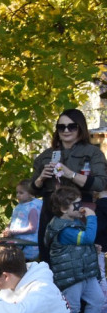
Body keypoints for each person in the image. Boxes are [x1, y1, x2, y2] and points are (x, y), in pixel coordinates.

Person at [31, 108, 107, 261]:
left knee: (76, 261)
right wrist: (40, 179)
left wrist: (70, 174)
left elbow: (100, 183)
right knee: (48, 259)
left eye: (71, 126)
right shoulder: (45, 155)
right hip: (49, 211)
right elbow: (33, 191)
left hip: (77, 210)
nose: (66, 130)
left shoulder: (93, 152)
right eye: (61, 127)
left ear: (80, 128)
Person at [43, 186, 106, 313]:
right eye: (77, 205)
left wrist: (92, 248)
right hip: (71, 276)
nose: (82, 208)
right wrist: (92, 218)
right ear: (64, 209)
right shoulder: (63, 228)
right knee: (73, 306)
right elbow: (86, 238)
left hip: (84, 272)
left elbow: (80, 244)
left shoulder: (74, 221)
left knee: (97, 299)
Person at [0, 179, 42, 260]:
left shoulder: (32, 208)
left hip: (28, 246)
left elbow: (32, 228)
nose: (18, 195)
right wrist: (8, 228)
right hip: (17, 244)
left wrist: (13, 231)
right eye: (17, 192)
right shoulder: (19, 206)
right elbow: (13, 221)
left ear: (30, 194)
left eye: (21, 193)